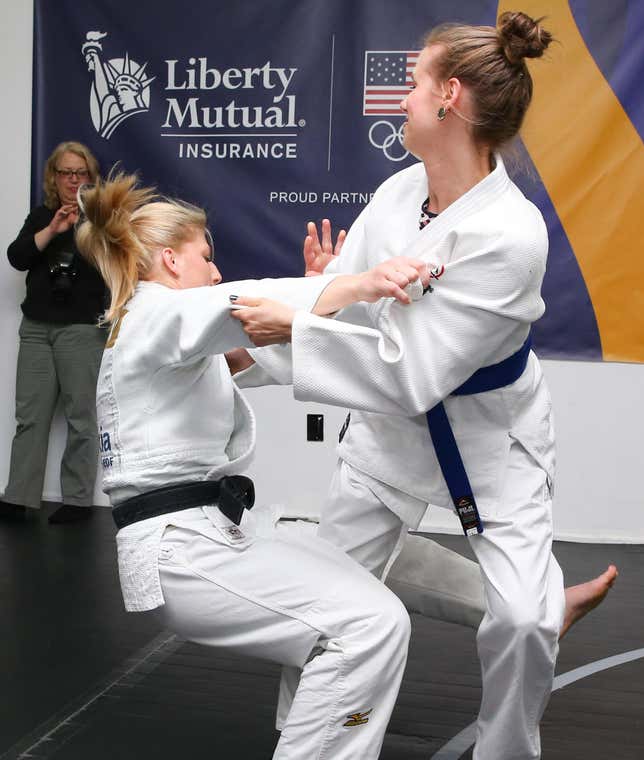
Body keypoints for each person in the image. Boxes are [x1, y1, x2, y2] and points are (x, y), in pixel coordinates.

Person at [228, 12, 617, 759]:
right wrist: (300, 315)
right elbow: (354, 302)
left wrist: (295, 326)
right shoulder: (401, 192)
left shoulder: (510, 233)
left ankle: (505, 749)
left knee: (524, 623)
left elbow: (407, 370)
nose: (398, 96)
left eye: (410, 81)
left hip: (488, 442)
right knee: (323, 600)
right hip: (390, 439)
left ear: (450, 96)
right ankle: (304, 740)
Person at [73, 171, 436, 760]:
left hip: (201, 537)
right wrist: (357, 283)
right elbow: (237, 301)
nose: (214, 270)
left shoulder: (158, 334)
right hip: (182, 548)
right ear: (168, 260)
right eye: (205, 257)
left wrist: (320, 301)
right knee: (369, 626)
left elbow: (265, 354)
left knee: (350, 577)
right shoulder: (156, 314)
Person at [1, 141, 108, 524]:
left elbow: (120, 265)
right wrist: (53, 228)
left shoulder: (102, 218)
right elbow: (18, 257)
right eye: (66, 173)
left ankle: (78, 501)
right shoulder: (42, 215)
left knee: (82, 417)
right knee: (30, 417)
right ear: (54, 176)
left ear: (90, 178)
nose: (72, 180)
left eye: (80, 173)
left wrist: (85, 227)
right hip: (36, 330)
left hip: (82, 329)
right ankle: (18, 496)